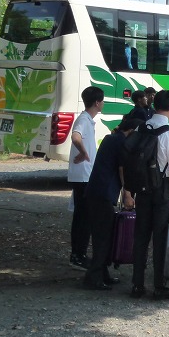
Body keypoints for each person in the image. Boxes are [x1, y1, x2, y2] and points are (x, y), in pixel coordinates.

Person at [129, 89, 169, 300]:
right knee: (161, 237)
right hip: (162, 188)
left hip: (142, 188)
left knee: (141, 236)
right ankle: (159, 285)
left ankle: (137, 284)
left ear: (154, 105)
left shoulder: (141, 127)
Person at [82, 116, 142, 290]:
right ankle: (94, 277)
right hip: (103, 194)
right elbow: (123, 170)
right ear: (132, 131)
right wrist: (128, 194)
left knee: (103, 235)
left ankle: (102, 273)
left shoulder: (111, 138)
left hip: (96, 191)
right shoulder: (121, 143)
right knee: (103, 237)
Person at [67, 86, 104, 269]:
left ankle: (79, 254)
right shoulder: (83, 119)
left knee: (83, 216)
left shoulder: (88, 120)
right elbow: (75, 137)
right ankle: (78, 255)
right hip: (82, 176)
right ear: (97, 102)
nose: (103, 103)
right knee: (83, 217)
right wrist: (83, 152)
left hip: (84, 176)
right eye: (102, 101)